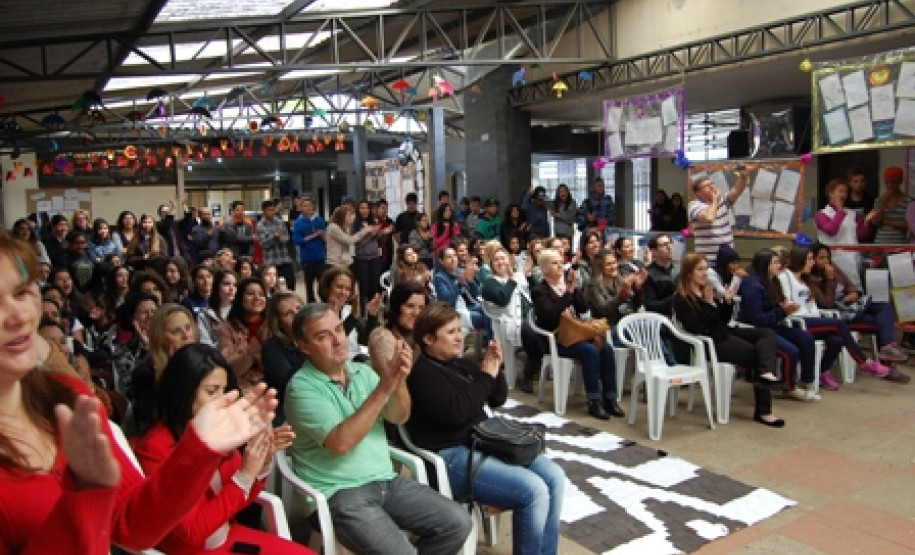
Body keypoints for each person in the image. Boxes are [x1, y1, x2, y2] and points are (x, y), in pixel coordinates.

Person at [0, 233, 277, 555]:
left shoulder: (68, 397)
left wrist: (200, 448)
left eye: (22, 293)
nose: (18, 316)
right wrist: (86, 498)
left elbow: (134, 527)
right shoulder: (147, 424)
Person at [285, 304, 472, 555]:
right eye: (322, 336)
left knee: (458, 523)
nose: (337, 340)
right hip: (338, 493)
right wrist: (385, 386)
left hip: (386, 481)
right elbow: (341, 443)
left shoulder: (361, 372)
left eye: (339, 330)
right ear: (304, 346)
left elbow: (399, 415)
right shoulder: (301, 388)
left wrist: (399, 381)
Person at [407, 302, 566, 555]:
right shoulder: (422, 374)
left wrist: (496, 367)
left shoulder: (460, 365)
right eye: (450, 332)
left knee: (555, 477)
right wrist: (486, 377)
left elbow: (496, 398)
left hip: (484, 442)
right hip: (450, 456)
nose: (459, 337)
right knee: (532, 491)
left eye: (459, 330)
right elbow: (456, 413)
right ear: (428, 339)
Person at [134, 343, 313, 555]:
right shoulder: (155, 448)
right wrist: (245, 475)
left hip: (228, 537)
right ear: (183, 392)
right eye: (211, 391)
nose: (223, 399)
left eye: (224, 390)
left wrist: (259, 463)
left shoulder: (217, 431)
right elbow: (192, 531)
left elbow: (237, 499)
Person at [673, 253, 785, 427]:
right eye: (700, 269)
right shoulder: (682, 299)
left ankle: (765, 373)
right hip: (710, 343)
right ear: (689, 273)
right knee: (758, 355)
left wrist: (726, 302)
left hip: (724, 332)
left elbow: (721, 320)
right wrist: (710, 304)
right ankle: (764, 411)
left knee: (767, 334)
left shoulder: (706, 289)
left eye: (706, 269)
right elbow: (698, 328)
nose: (705, 273)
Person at [781, 247, 895, 389]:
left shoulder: (806, 280)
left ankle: (822, 371)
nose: (812, 263)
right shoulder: (785, 277)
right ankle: (864, 362)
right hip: (797, 322)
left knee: (837, 340)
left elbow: (813, 307)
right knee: (838, 324)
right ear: (800, 260)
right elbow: (785, 302)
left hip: (812, 319)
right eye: (809, 259)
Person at [532, 248, 623, 420]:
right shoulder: (539, 291)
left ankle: (610, 398)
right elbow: (550, 315)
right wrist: (568, 293)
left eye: (561, 262)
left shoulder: (567, 285)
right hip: (557, 340)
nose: (560, 266)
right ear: (544, 268)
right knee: (590, 351)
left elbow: (583, 309)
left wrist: (574, 291)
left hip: (577, 335)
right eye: (554, 263)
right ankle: (594, 401)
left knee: (606, 348)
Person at [738, 249, 824, 400]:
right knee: (791, 350)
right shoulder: (753, 286)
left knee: (806, 339)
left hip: (773, 324)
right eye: (775, 263)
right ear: (765, 265)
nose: (780, 265)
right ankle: (789, 387)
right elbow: (757, 319)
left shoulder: (774, 281)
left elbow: (778, 305)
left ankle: (807, 381)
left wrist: (786, 307)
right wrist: (782, 311)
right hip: (757, 330)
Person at [125, 303, 199, 436]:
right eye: (176, 331)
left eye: (188, 328)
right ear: (160, 337)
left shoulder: (204, 361)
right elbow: (153, 421)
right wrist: (172, 372)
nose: (186, 336)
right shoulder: (145, 373)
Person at [481, 246, 542, 393]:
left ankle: (535, 365)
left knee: (546, 330)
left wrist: (528, 276)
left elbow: (534, 293)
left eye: (503, 258)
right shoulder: (489, 282)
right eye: (496, 260)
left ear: (509, 260)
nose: (500, 262)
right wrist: (512, 280)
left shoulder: (518, 276)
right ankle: (528, 374)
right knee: (533, 333)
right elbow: (502, 299)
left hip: (530, 318)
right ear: (492, 265)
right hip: (508, 323)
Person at [688, 166, 751, 264]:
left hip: (728, 257)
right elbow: (709, 218)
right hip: (709, 259)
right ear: (698, 193)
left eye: (712, 183)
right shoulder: (694, 206)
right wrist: (715, 201)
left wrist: (743, 177)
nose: (712, 187)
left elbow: (736, 191)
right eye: (707, 186)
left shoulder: (722, 201)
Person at [261, 291, 306, 425]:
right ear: (278, 323)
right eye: (288, 313)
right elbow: (289, 384)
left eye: (299, 308)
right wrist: (307, 348)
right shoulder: (271, 348)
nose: (297, 315)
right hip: (289, 408)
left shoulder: (318, 337)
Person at [815, 177, 869, 289]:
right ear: (831, 194)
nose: (844, 194)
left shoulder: (852, 214)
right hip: (834, 260)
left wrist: (867, 221)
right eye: (840, 191)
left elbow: (862, 235)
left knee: (855, 291)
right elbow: (831, 230)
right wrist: (839, 212)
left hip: (853, 260)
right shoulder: (822, 214)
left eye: (846, 192)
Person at [318, 266, 382, 356]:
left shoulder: (348, 310)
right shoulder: (317, 314)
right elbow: (332, 344)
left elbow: (365, 340)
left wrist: (372, 315)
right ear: (327, 288)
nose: (343, 292)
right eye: (339, 287)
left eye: (348, 289)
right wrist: (352, 318)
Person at [433, 247, 492, 343]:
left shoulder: (459, 271)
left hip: (469, 306)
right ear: (441, 261)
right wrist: (459, 284)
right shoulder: (439, 277)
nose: (453, 259)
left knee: (491, 309)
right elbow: (446, 300)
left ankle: (492, 341)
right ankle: (490, 344)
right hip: (454, 311)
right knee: (488, 318)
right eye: (449, 257)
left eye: (454, 256)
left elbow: (477, 293)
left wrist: (471, 281)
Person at [218, 277, 268, 391]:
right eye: (251, 294)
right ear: (240, 298)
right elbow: (228, 369)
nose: (257, 298)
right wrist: (252, 350)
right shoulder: (226, 329)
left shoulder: (272, 326)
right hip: (242, 389)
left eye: (261, 294)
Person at [368, 281, 429, 370]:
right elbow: (394, 375)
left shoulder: (423, 337)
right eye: (410, 306)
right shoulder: (381, 337)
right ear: (396, 307)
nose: (416, 313)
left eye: (421, 308)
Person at [586, 249, 646, 326]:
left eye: (614, 262)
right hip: (607, 327)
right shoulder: (593, 286)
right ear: (600, 267)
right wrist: (623, 294)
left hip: (627, 322)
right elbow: (604, 310)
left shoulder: (621, 279)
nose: (613, 267)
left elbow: (636, 305)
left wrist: (638, 289)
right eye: (608, 264)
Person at [352, 200, 387, 312]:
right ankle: (362, 312)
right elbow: (357, 243)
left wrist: (382, 233)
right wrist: (370, 234)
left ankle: (373, 311)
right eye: (362, 208)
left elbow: (376, 241)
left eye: (367, 208)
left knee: (374, 286)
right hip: (362, 258)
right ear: (358, 210)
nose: (365, 210)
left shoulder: (373, 221)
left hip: (375, 257)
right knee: (364, 287)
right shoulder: (355, 224)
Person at [292, 195, 326, 303]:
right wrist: (313, 235)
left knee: (323, 282)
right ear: (301, 208)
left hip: (320, 256)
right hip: (307, 257)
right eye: (305, 206)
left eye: (310, 206)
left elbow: (325, 237)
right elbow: (297, 240)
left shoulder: (319, 220)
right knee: (309, 283)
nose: (308, 208)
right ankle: (311, 303)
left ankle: (324, 302)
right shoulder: (298, 223)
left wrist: (322, 235)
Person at [256, 200, 296, 292]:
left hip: (284, 257)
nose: (272, 212)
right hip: (271, 259)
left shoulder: (280, 222)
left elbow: (287, 238)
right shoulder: (260, 225)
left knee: (291, 279)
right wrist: (273, 238)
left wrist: (280, 238)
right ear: (264, 211)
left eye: (273, 210)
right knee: (272, 283)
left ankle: (290, 296)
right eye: (269, 210)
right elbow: (263, 244)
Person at [866, 166, 911, 244]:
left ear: (900, 181)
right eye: (887, 182)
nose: (890, 185)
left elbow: (909, 225)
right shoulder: (879, 200)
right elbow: (876, 221)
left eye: (893, 182)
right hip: (880, 244)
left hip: (899, 247)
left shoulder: (909, 201)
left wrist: (886, 221)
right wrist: (883, 202)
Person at [326, 205, 377, 269]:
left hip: (344, 262)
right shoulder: (333, 227)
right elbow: (349, 240)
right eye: (349, 216)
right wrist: (364, 231)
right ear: (342, 217)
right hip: (335, 263)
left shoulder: (344, 227)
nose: (351, 218)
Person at [642, 233, 679, 317]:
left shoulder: (679, 268)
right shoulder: (648, 274)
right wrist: (676, 298)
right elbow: (650, 305)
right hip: (661, 318)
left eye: (670, 243)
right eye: (664, 245)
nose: (669, 247)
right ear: (654, 251)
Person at [198, 269, 236, 346]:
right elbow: (205, 344)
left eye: (235, 285)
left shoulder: (241, 311)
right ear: (216, 287)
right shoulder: (204, 315)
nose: (232, 288)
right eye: (226, 284)